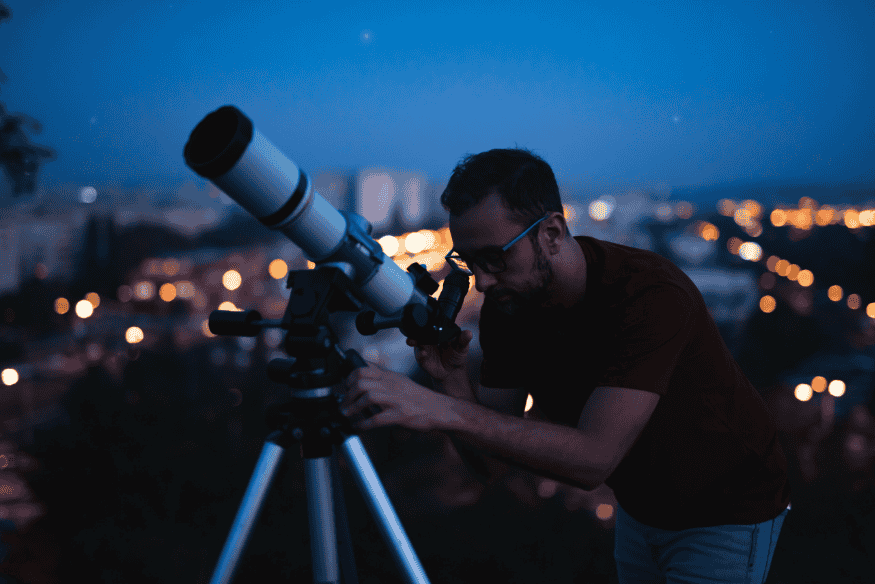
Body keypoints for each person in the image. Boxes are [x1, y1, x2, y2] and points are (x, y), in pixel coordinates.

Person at [340, 148, 791, 583]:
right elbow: (490, 465)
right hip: (642, 507)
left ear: (552, 233)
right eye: (471, 262)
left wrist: (443, 410)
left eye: (495, 257)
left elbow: (593, 459)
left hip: (725, 510)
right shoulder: (508, 305)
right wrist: (452, 383)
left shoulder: (649, 295)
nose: (484, 281)